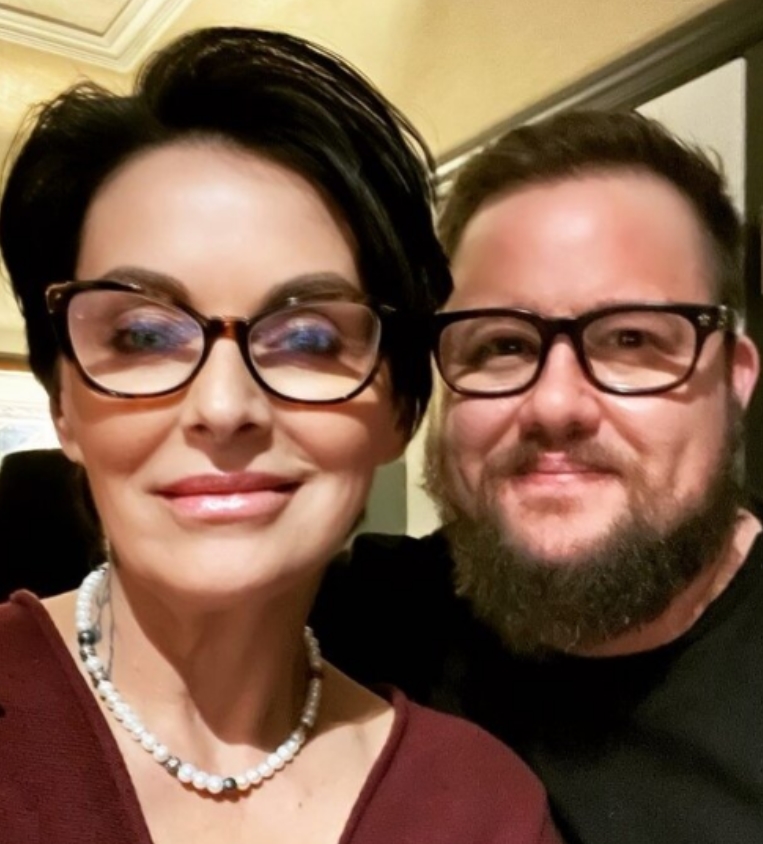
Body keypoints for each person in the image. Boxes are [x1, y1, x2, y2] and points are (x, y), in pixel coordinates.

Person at [0, 27, 562, 844]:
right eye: (143, 335)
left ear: (401, 409)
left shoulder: (481, 808)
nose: (224, 406)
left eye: (308, 339)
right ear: (64, 405)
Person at [312, 110, 763, 844]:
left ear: (733, 379)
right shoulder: (348, 631)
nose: (555, 405)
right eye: (501, 345)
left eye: (630, 339)